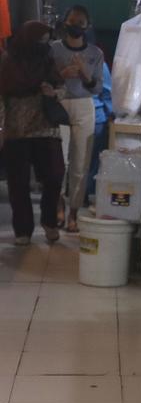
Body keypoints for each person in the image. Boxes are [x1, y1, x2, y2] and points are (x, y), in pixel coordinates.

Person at [0, 21, 65, 245]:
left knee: (55, 175)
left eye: (46, 40)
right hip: (16, 129)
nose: (43, 45)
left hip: (46, 127)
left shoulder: (47, 59)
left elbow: (61, 86)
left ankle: (49, 221)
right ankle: (23, 230)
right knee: (18, 183)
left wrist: (53, 91)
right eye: (39, 40)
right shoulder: (8, 61)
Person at [51, 5, 105, 233]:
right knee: (58, 163)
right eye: (72, 21)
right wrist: (61, 75)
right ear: (65, 22)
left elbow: (97, 88)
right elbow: (44, 80)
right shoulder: (53, 50)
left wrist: (85, 74)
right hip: (59, 105)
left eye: (80, 23)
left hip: (84, 106)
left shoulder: (95, 54)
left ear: (87, 27)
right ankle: (58, 206)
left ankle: (74, 211)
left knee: (80, 164)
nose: (75, 26)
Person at [85, 62, 113, 206]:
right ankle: (87, 193)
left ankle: (79, 195)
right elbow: (107, 92)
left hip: (73, 118)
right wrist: (109, 114)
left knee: (75, 161)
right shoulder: (99, 63)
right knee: (93, 161)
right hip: (97, 117)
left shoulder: (61, 57)